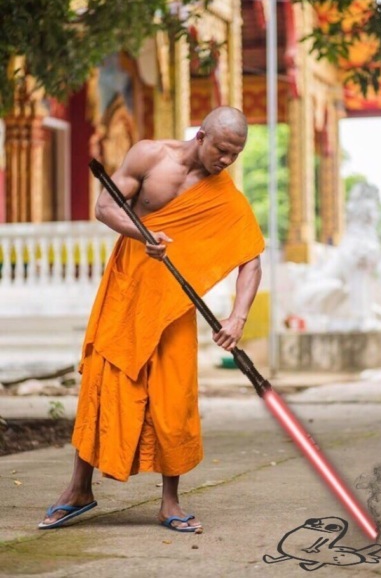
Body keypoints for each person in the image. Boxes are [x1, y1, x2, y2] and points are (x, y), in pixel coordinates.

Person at [38, 106, 265, 532]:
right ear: (202, 135)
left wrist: (237, 317)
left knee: (173, 397)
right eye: (222, 150)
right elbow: (105, 207)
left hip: (174, 307)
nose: (227, 161)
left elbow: (251, 260)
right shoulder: (149, 155)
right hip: (127, 292)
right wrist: (141, 233)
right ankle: (79, 489)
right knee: (103, 385)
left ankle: (170, 503)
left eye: (236, 155)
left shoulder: (224, 195)